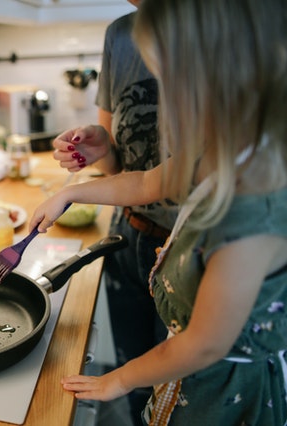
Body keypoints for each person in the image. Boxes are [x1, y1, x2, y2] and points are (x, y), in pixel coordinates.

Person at [31, 0, 287, 424]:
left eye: (173, 82)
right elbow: (146, 182)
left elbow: (205, 344)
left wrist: (121, 379)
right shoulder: (222, 150)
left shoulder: (253, 212)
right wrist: (70, 194)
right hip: (186, 377)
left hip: (222, 395)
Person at [54, 1, 171, 422]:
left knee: (178, 393)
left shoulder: (238, 26)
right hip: (130, 236)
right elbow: (127, 171)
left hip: (195, 252)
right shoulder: (121, 35)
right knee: (136, 381)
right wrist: (99, 148)